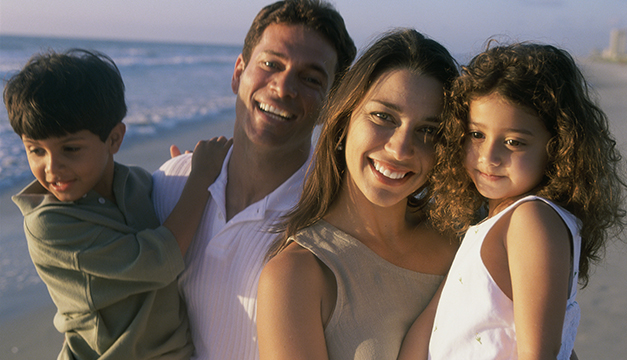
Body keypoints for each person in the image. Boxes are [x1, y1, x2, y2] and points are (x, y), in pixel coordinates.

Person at [151, 1, 356, 359]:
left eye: (310, 79)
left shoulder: (331, 215)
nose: (283, 87)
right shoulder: (172, 183)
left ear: (329, 104)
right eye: (271, 64)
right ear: (238, 73)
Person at [398, 42, 627, 360]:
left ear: (557, 147)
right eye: (477, 134)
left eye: (513, 142)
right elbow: (429, 327)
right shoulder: (493, 223)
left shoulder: (531, 219)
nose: (489, 157)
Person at [4, 49, 231, 360]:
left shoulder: (136, 183)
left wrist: (181, 176)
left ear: (114, 139)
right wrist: (200, 178)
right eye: (35, 150)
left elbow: (173, 221)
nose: (51, 167)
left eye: (70, 149)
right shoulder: (49, 225)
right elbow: (157, 261)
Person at [256, 28, 460, 359]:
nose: (400, 148)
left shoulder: (466, 242)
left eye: (427, 131)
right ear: (343, 121)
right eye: (384, 117)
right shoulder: (298, 275)